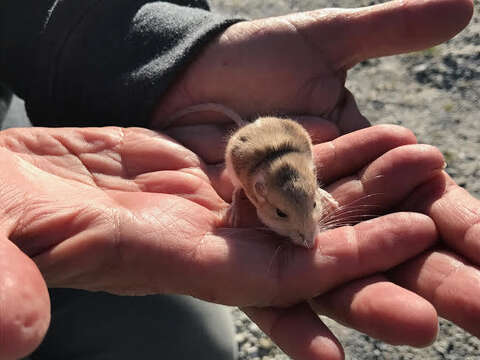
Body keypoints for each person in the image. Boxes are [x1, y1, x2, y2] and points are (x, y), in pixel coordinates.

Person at [0, 0, 478, 359]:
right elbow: (244, 172)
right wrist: (234, 204)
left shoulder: (296, 181)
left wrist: (160, 56)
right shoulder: (253, 184)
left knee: (185, 345)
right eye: (286, 218)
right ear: (257, 195)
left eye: (308, 211)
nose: (306, 238)